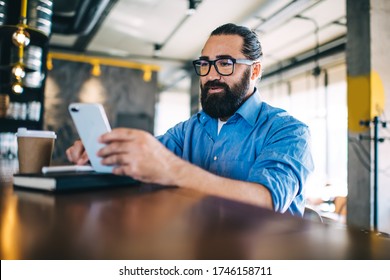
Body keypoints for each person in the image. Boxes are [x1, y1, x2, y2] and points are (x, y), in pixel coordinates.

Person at [66, 23, 314, 216]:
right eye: (205, 64)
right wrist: (101, 152)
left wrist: (173, 170)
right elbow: (143, 160)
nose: (211, 75)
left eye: (225, 63)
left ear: (255, 71)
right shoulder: (188, 131)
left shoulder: (288, 131)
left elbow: (267, 202)